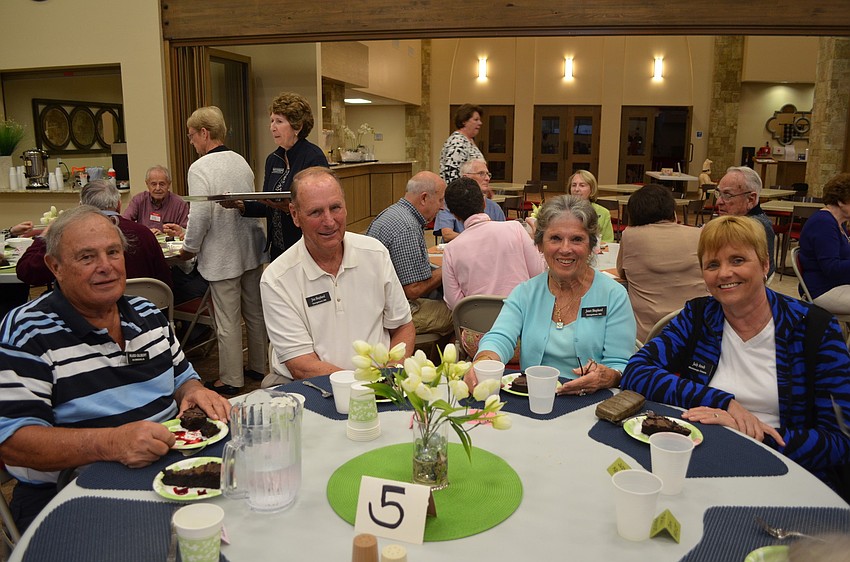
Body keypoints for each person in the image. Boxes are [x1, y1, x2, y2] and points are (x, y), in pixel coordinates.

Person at [0, 205, 231, 531]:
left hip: (167, 469)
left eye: (113, 252)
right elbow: (13, 441)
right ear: (55, 267)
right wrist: (112, 443)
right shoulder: (28, 331)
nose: (106, 266)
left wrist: (193, 390)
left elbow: (183, 376)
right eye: (87, 257)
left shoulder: (147, 314)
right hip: (70, 490)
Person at [621, 215, 850, 488]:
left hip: (785, 471)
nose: (724, 273)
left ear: (765, 264)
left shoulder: (814, 328)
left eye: (738, 260)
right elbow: (635, 372)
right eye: (713, 265)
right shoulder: (699, 317)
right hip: (700, 461)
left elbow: (839, 440)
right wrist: (723, 403)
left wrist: (750, 434)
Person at [260, 168, 414, 383]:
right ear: (295, 215)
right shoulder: (277, 279)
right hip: (312, 386)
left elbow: (403, 327)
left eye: (335, 208)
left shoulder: (375, 254)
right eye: (316, 212)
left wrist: (392, 372)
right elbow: (301, 365)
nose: (329, 221)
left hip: (380, 384)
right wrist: (361, 386)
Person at [470, 195, 636, 395]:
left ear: (592, 246)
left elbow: (620, 363)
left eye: (577, 239)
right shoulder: (525, 293)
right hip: (534, 400)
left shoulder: (613, 295)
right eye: (555, 238)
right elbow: (499, 337)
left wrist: (607, 375)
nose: (565, 249)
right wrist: (485, 360)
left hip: (592, 403)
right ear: (540, 244)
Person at [178, 106, 268, 395]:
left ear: (205, 133)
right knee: (254, 313)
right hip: (250, 249)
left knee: (227, 321)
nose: (191, 142)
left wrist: (189, 248)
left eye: (192, 136)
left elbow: (200, 215)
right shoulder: (241, 161)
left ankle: (230, 379)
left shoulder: (200, 168)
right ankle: (259, 366)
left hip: (223, 254)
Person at [226, 92, 329, 261]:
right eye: (272, 121)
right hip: (279, 249)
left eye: (279, 121)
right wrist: (241, 205)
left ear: (298, 126)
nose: (272, 127)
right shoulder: (273, 160)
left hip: (305, 246)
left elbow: (322, 206)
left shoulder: (313, 157)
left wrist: (289, 208)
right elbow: (268, 205)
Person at [16, 179, 173, 289]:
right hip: (146, 312)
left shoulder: (70, 236)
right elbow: (165, 281)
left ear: (81, 206)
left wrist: (46, 235)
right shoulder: (144, 233)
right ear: (118, 204)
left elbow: (27, 271)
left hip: (86, 319)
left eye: (113, 252)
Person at [366, 171, 454, 339]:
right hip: (391, 312)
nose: (442, 207)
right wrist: (449, 266)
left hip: (375, 303)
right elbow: (413, 290)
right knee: (457, 313)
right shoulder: (407, 228)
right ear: (424, 198)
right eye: (440, 200)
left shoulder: (392, 213)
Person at [616, 184, 708, 342]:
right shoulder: (700, 235)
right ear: (673, 211)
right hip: (698, 332)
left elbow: (622, 272)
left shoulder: (630, 236)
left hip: (649, 339)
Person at [441, 176, 545, 310]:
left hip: (478, 326)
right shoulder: (515, 228)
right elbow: (538, 273)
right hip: (521, 321)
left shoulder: (451, 249)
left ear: (454, 215)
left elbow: (454, 303)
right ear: (484, 203)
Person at [798, 172, 850, 315]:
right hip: (822, 289)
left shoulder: (839, 223)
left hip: (837, 284)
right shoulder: (823, 223)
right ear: (841, 201)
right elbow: (831, 268)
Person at [715, 165, 775, 277]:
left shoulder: (755, 228)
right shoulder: (734, 221)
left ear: (750, 199)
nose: (718, 202)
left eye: (727, 195)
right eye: (719, 194)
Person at [434, 158, 505, 242]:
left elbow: (502, 236)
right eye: (481, 173)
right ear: (465, 177)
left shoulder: (494, 208)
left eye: (488, 174)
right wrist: (477, 240)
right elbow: (447, 235)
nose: (487, 178)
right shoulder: (450, 202)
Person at [121, 165, 189, 234]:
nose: (157, 188)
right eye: (153, 184)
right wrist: (145, 232)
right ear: (147, 184)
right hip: (145, 242)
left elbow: (186, 232)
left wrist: (165, 234)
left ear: (169, 184)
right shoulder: (139, 200)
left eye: (162, 184)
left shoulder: (180, 204)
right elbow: (124, 223)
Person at [439, 104, 485, 183]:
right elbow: (451, 176)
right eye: (476, 119)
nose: (480, 123)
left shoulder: (468, 140)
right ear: (464, 121)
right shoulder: (457, 142)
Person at [567, 170, 614, 244]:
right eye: (574, 185)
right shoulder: (562, 210)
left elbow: (608, 241)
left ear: (591, 190)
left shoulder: (603, 213)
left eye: (582, 185)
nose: (576, 189)